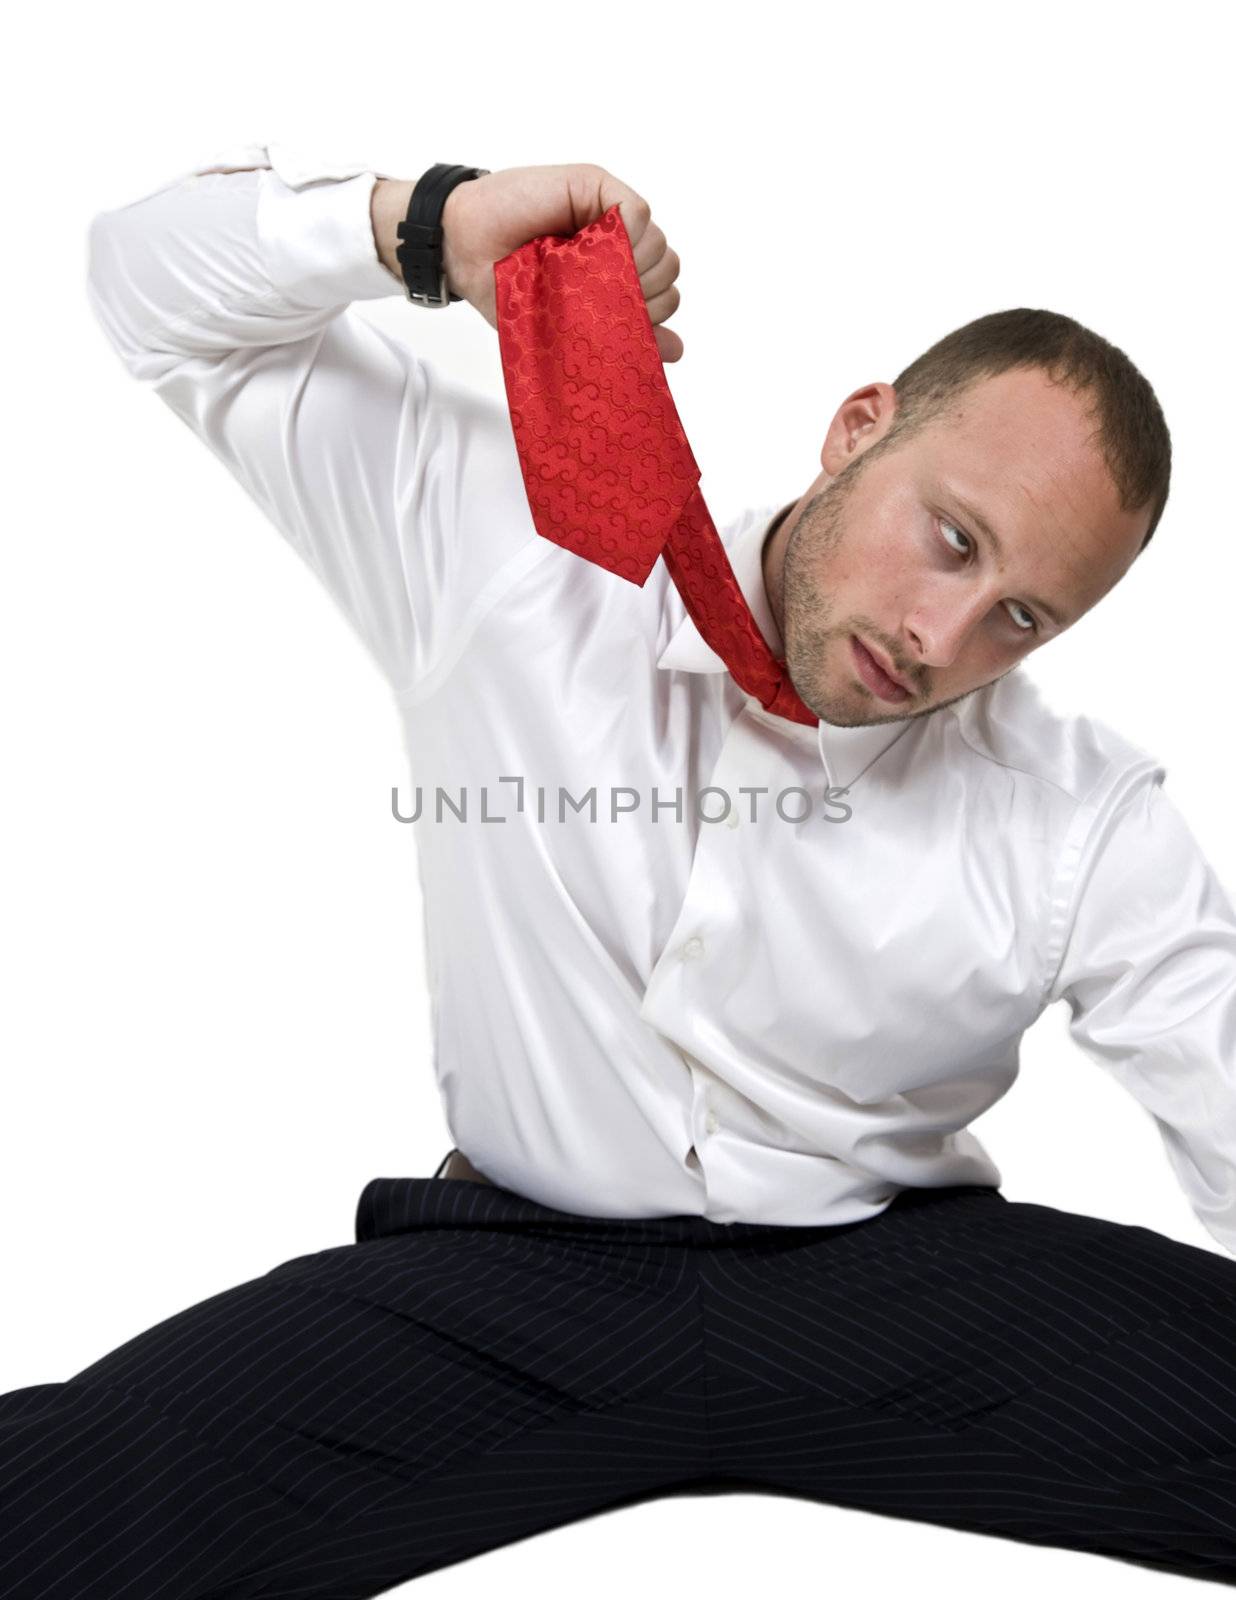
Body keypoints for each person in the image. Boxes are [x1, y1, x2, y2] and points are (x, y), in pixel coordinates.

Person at [2, 141, 1234, 1598]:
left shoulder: (1078, 813)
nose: (941, 639)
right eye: (948, 540)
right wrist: (427, 229)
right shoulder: (513, 554)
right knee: (51, 1506)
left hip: (899, 1288)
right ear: (857, 429)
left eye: (1020, 614)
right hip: (506, 1282)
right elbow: (147, 288)